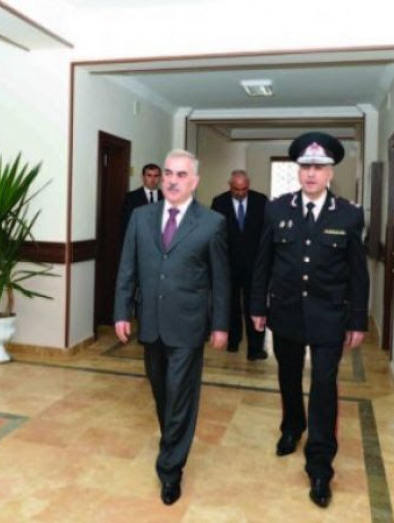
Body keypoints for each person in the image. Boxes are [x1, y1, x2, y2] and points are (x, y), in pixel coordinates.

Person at [250, 132, 369, 509]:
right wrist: (257, 305)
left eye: (319, 167)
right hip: (285, 312)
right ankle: (292, 428)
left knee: (323, 384)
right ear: (298, 171)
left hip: (329, 316)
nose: (311, 174)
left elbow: (358, 273)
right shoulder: (277, 209)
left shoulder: (349, 214)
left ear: (331, 172)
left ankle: (319, 465)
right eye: (305, 167)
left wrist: (357, 320)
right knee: (287, 376)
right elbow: (263, 261)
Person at [114, 149, 229, 506]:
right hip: (151, 324)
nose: (172, 180)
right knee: (162, 393)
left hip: (188, 325)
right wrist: (121, 313)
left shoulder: (211, 223)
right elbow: (127, 268)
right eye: (168, 173)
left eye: (181, 175)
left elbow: (221, 280)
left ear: (194, 181)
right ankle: (173, 441)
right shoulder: (141, 217)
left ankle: (170, 469)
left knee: (181, 394)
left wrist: (221, 325)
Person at [211, 170, 268, 360]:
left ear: (248, 186)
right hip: (229, 264)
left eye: (244, 189)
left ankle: (255, 349)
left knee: (255, 306)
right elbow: (216, 235)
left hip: (255, 265)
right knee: (231, 304)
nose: (241, 193)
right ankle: (233, 342)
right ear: (230, 186)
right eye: (236, 189)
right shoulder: (219, 202)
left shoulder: (261, 201)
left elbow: (266, 233)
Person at [120, 163, 161, 238]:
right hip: (139, 239)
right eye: (149, 175)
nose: (153, 179)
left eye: (156, 176)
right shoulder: (131, 197)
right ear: (143, 177)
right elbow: (126, 223)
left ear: (160, 178)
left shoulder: (167, 197)